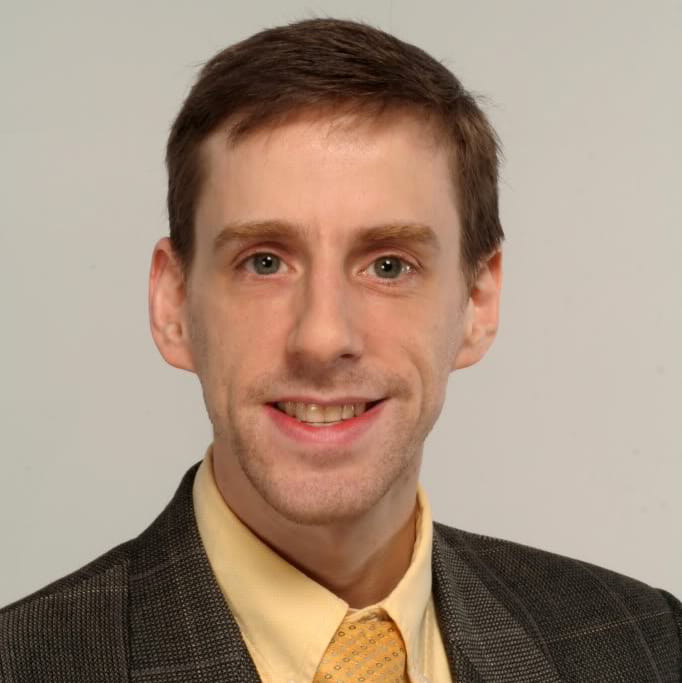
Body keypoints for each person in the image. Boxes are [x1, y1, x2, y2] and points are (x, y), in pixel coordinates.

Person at [0, 17, 679, 682]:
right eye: (265, 262)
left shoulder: (649, 646)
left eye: (388, 265)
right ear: (173, 304)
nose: (323, 338)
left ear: (478, 302)